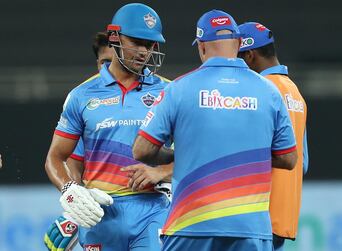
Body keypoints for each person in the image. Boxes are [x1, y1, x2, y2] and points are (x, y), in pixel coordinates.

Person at [132, 9, 298, 251]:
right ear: (239, 43)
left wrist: (184, 154)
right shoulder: (270, 92)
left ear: (201, 46)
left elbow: (142, 150)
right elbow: (289, 158)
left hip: (190, 224)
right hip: (250, 228)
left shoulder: (178, 88)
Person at [44, 3, 172, 251]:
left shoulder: (169, 91)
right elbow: (55, 158)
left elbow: (197, 152)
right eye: (136, 41)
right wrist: (71, 194)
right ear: (114, 37)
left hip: (153, 209)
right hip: (100, 214)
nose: (144, 52)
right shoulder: (81, 95)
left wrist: (162, 172)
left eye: (150, 44)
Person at [237, 22, 309, 251]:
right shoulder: (295, 92)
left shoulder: (260, 89)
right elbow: (302, 163)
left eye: (236, 58)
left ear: (249, 55)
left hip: (255, 214)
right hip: (281, 218)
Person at [44, 32, 114, 251]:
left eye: (116, 61)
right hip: (106, 217)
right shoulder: (84, 99)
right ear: (97, 63)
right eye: (105, 62)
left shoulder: (159, 95)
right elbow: (73, 167)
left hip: (154, 213)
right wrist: (77, 207)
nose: (111, 68)